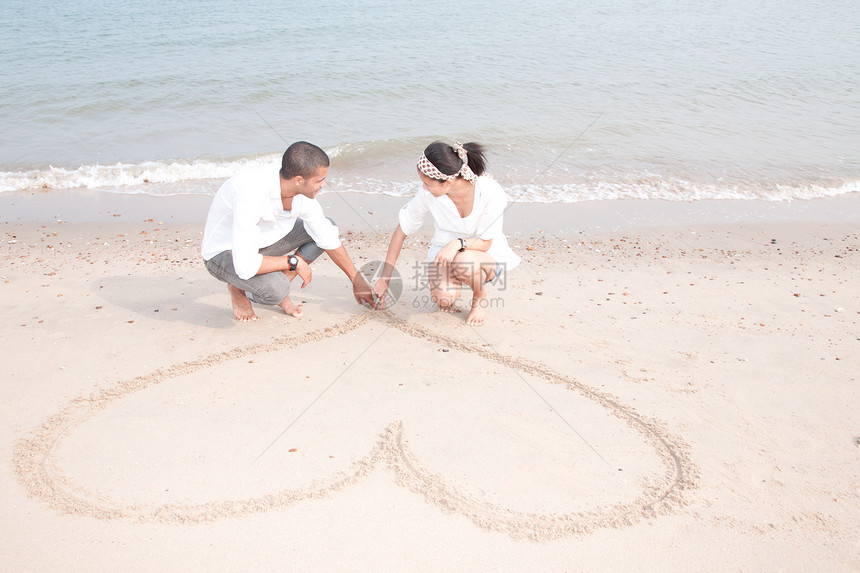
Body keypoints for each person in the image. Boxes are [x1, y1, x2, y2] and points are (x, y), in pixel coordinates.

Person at [201, 141, 375, 321]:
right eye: (320, 180)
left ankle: (274, 280)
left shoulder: (301, 193)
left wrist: (356, 280)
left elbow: (326, 236)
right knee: (275, 290)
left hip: (262, 244)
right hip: (224, 254)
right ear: (299, 180)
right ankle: (238, 288)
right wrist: (294, 262)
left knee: (326, 226)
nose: (323, 185)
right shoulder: (251, 194)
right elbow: (244, 265)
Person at [372, 141, 520, 325]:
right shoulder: (427, 193)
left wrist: (457, 244)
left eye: (427, 183)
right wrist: (384, 279)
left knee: (463, 260)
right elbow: (401, 231)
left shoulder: (490, 191)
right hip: (444, 253)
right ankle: (455, 282)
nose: (423, 187)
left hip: (485, 256)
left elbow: (486, 242)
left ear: (448, 181)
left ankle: (479, 296)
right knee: (443, 298)